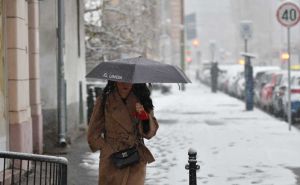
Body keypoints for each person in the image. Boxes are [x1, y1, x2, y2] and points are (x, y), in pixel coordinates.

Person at [87, 80, 159, 185]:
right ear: (114, 80)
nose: (125, 84)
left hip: (135, 158)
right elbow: (93, 134)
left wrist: (144, 117)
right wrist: (107, 148)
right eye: (121, 80)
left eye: (129, 80)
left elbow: (149, 134)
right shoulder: (105, 100)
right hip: (111, 160)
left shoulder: (143, 99)